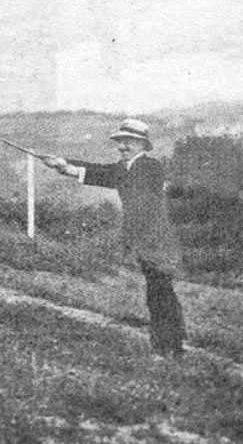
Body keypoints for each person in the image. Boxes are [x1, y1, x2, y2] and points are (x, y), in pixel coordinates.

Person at [42, 119, 185, 357]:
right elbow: (104, 172)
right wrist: (62, 165)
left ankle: (170, 347)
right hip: (143, 239)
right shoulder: (124, 168)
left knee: (161, 293)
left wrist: (71, 168)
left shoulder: (151, 167)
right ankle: (168, 345)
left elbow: (108, 174)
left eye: (128, 142)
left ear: (142, 145)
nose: (122, 147)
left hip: (159, 239)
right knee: (157, 292)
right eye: (120, 142)